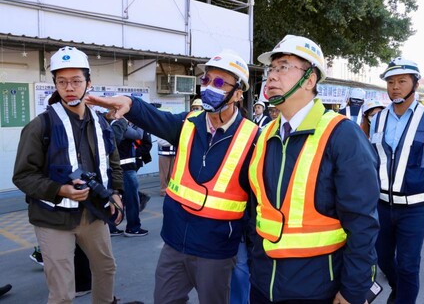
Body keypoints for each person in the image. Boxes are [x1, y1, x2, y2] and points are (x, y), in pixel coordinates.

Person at [85, 49, 258, 304]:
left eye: (220, 83)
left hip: (216, 251)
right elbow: (157, 118)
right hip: (174, 244)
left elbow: (258, 205)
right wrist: (131, 104)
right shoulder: (188, 122)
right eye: (207, 80)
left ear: (238, 93)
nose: (209, 87)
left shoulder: (254, 139)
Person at [249, 34, 380, 304]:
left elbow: (362, 222)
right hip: (263, 284)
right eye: (270, 69)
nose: (271, 76)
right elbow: (256, 212)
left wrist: (353, 290)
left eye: (283, 67)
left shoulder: (342, 134)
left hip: (318, 290)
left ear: (310, 80)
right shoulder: (265, 135)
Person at [12, 46, 123, 304]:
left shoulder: (101, 123)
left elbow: (113, 164)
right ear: (55, 85)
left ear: (88, 83)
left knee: (106, 269)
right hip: (53, 218)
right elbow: (23, 176)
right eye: (61, 82)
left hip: (94, 214)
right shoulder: (40, 126)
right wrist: (60, 190)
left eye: (75, 81)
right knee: (62, 291)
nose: (69, 88)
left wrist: (116, 193)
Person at [370, 58, 424, 303]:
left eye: (402, 81)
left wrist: (421, 180)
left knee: (408, 264)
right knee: (383, 258)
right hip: (382, 205)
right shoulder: (378, 118)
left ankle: (403, 297)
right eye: (391, 82)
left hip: (415, 208)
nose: (395, 87)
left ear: (415, 84)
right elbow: (376, 156)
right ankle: (399, 288)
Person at [110, 118, 149, 237]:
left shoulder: (110, 124)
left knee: (115, 198)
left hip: (118, 168)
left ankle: (111, 227)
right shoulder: (120, 125)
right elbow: (139, 135)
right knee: (132, 200)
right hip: (126, 169)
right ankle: (133, 228)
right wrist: (140, 120)